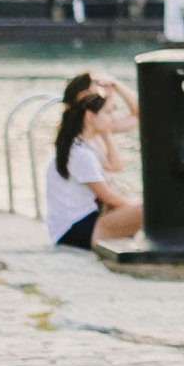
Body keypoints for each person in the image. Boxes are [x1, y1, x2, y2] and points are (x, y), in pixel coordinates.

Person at [43, 76, 142, 250]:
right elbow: (109, 198)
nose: (112, 118)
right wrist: (134, 209)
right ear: (89, 113)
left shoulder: (83, 141)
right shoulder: (80, 152)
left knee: (145, 208)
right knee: (152, 211)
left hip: (80, 222)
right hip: (75, 229)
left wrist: (116, 86)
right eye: (108, 113)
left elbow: (116, 166)